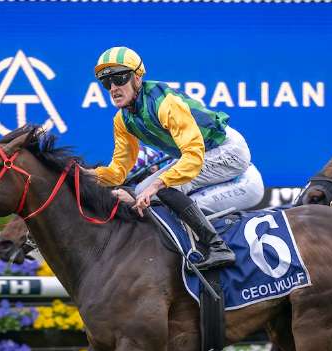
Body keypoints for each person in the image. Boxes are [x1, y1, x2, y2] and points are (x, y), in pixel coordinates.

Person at [89, 46, 261, 271]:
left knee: (164, 190)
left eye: (119, 78)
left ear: (137, 77)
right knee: (142, 191)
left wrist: (157, 185)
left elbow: (193, 154)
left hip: (227, 150)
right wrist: (82, 175)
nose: (113, 88)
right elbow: (117, 172)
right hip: (202, 154)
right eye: (106, 82)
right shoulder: (122, 121)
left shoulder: (165, 103)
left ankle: (217, 247)